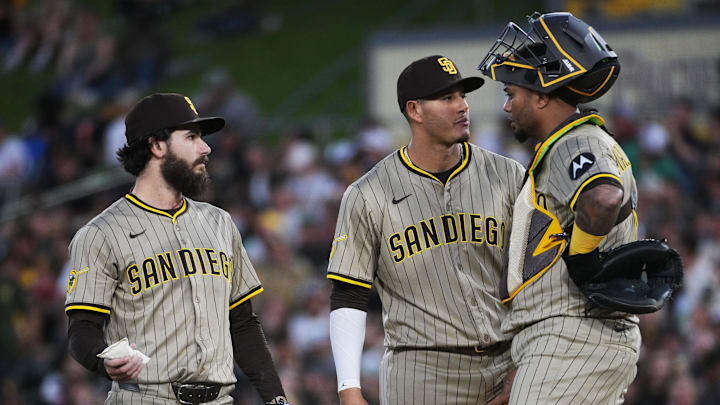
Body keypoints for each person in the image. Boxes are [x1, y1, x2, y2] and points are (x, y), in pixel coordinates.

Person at [64, 93, 290, 405]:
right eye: (192, 137)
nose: (206, 148)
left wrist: (276, 398)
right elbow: (82, 330)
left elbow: (242, 323)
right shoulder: (100, 234)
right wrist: (104, 360)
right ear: (157, 146)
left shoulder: (220, 223)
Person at [327, 55, 525, 405]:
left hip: (508, 359)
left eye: (462, 96)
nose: (463, 106)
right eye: (447, 98)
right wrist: (349, 388)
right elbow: (349, 295)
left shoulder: (508, 175)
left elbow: (537, 278)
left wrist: (526, 361)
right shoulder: (367, 193)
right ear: (414, 111)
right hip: (422, 370)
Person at [478, 12, 641, 404]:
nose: (506, 107)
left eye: (510, 94)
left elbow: (602, 199)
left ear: (541, 95)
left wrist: (582, 256)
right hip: (567, 339)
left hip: (572, 336)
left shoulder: (575, 142)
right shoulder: (572, 143)